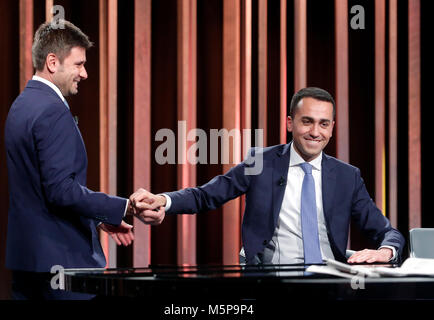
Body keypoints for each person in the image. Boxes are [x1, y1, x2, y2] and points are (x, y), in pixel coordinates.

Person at [132, 87, 405, 265]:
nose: (315, 132)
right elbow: (206, 196)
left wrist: (385, 251)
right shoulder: (260, 163)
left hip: (330, 283)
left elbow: (387, 232)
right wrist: (164, 200)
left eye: (323, 124)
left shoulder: (348, 176)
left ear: (332, 128)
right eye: (307, 121)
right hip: (271, 280)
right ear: (290, 123)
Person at [4, 20, 164, 300]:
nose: (85, 73)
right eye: (78, 64)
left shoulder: (20, 106)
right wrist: (124, 206)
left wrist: (99, 219)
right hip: (62, 266)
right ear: (53, 62)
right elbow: (61, 191)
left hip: (28, 264)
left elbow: (43, 191)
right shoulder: (53, 111)